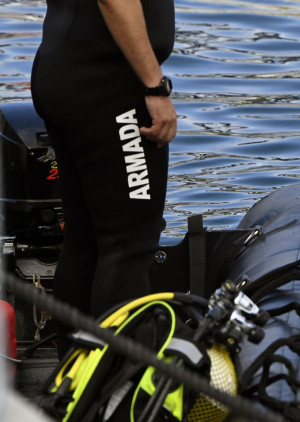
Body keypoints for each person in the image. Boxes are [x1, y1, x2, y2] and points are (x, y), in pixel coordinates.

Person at [31, 0, 176, 357]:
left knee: (86, 240)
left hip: (66, 65)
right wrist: (155, 88)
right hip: (107, 81)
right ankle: (115, 393)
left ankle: (75, 382)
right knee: (128, 245)